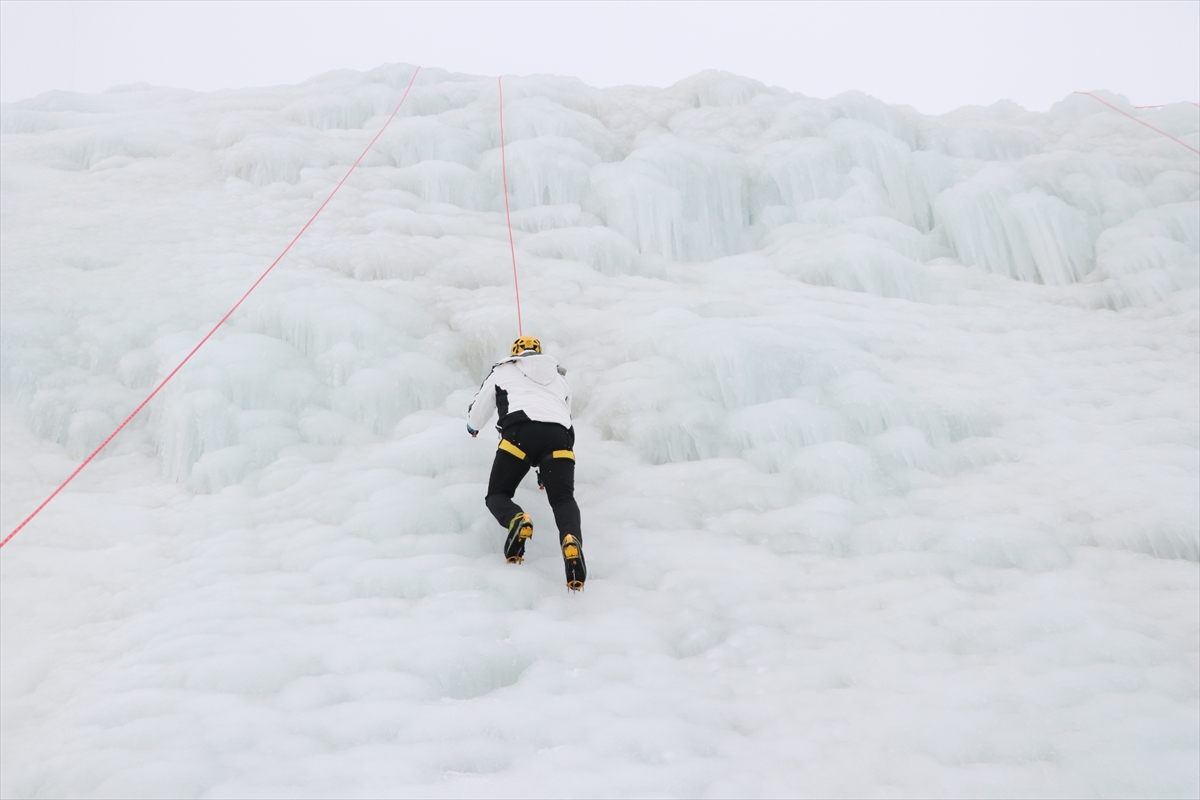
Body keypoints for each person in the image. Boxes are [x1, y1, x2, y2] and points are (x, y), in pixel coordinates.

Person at [467, 336, 586, 590]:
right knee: (563, 500)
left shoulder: (503, 369)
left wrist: (473, 426)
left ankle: (517, 518)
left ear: (515, 353)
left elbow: (481, 406)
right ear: (540, 352)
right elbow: (566, 415)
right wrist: (546, 472)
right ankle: (571, 539)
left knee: (497, 494)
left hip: (519, 435)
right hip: (559, 439)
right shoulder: (560, 378)